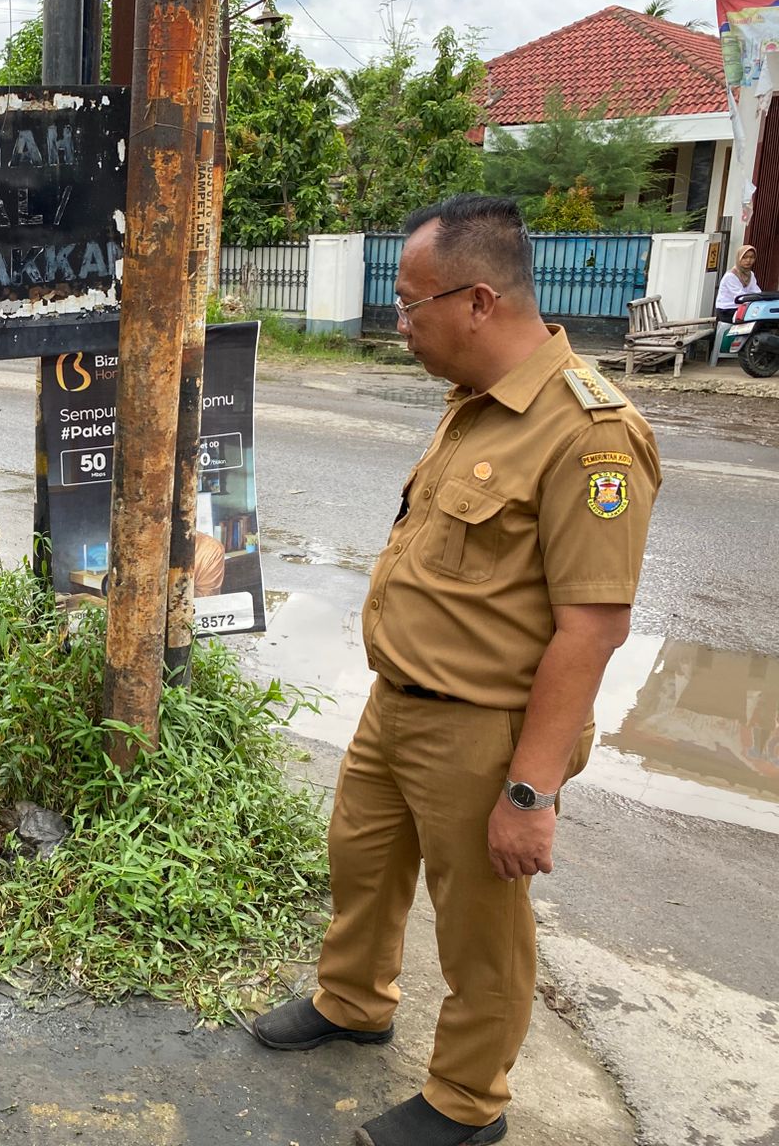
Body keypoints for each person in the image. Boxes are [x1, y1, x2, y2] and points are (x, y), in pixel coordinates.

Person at [250, 195, 660, 1146]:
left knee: (480, 926)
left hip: (485, 730)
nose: (398, 324)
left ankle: (467, 1102)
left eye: (409, 303)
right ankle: (354, 1001)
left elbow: (591, 629)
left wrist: (530, 789)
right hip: (398, 705)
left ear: (478, 301)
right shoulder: (474, 404)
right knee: (361, 864)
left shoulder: (590, 433)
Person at [716, 243, 761, 322]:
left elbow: (756, 291)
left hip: (743, 307)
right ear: (739, 258)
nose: (748, 260)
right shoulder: (731, 276)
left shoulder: (750, 274)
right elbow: (740, 296)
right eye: (744, 257)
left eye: (752, 257)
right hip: (727, 309)